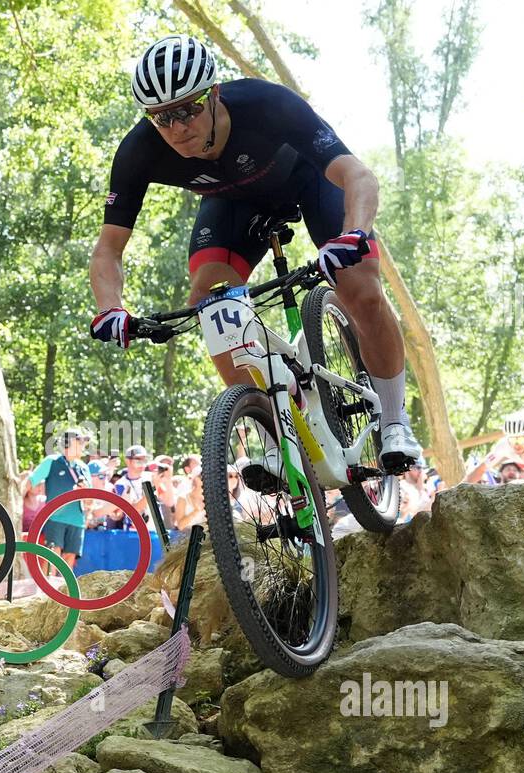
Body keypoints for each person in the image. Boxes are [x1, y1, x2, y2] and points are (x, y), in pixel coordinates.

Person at [87, 34, 422, 489]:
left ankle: (394, 419)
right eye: (162, 117)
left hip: (311, 182)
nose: (177, 126)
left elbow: (357, 174)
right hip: (233, 205)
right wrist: (111, 307)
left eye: (188, 108)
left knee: (360, 289)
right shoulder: (140, 149)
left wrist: (355, 232)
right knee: (209, 301)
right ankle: (276, 432)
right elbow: (109, 247)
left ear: (214, 94)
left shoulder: (266, 103)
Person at [24, 429, 93, 572]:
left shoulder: (84, 468)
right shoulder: (52, 462)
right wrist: (15, 505)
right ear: (70, 443)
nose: (83, 446)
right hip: (56, 518)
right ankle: (46, 592)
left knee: (69, 559)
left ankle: (64, 592)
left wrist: (85, 494)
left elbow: (90, 501)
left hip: (77, 520)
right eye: (80, 442)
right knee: (52, 558)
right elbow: (29, 483)